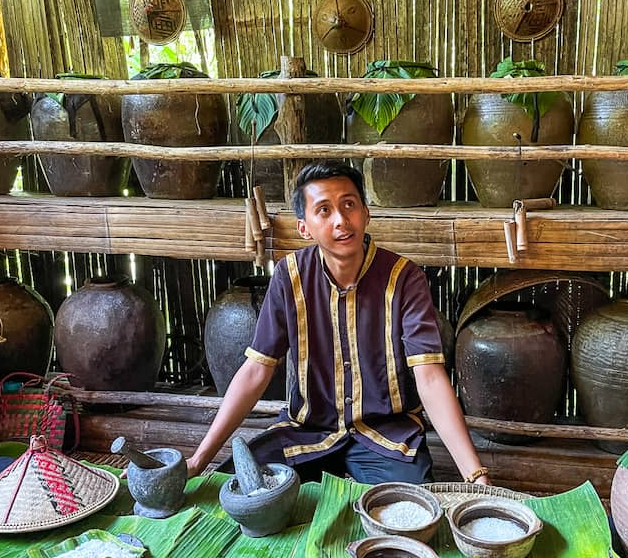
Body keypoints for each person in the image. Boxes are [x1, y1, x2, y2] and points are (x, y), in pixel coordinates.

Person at [186, 161, 491, 486]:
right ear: (305, 227)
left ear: (365, 212)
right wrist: (198, 459)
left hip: (386, 438)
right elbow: (255, 370)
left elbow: (429, 378)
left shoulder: (404, 279)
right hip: (305, 433)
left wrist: (475, 475)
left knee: (405, 508)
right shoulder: (290, 278)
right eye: (324, 210)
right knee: (241, 488)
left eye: (349, 205)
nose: (341, 221)